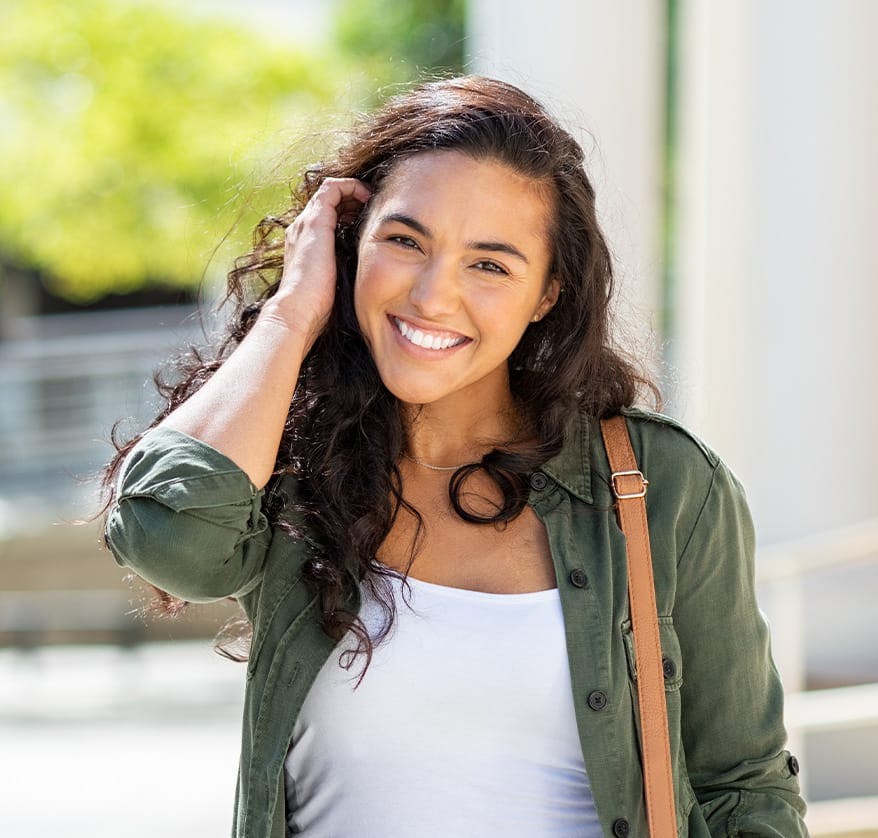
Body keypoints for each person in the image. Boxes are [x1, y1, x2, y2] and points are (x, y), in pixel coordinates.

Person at [103, 76, 808, 837]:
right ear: (351, 243)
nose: (434, 296)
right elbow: (166, 540)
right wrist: (292, 312)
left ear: (547, 295)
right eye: (405, 241)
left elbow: (743, 785)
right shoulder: (289, 466)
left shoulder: (659, 485)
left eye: (490, 264)